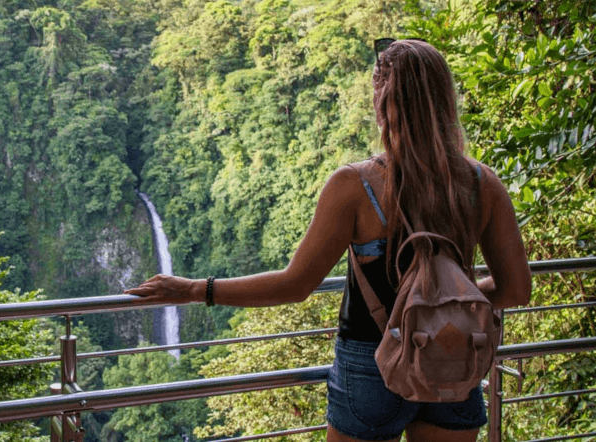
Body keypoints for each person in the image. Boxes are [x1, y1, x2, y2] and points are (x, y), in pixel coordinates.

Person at [124, 39, 532, 442]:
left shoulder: (355, 186)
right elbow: (515, 289)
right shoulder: (482, 184)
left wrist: (195, 289)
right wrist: (441, 306)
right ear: (445, 99)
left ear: (382, 102)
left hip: (372, 366)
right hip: (453, 359)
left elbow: (296, 284)